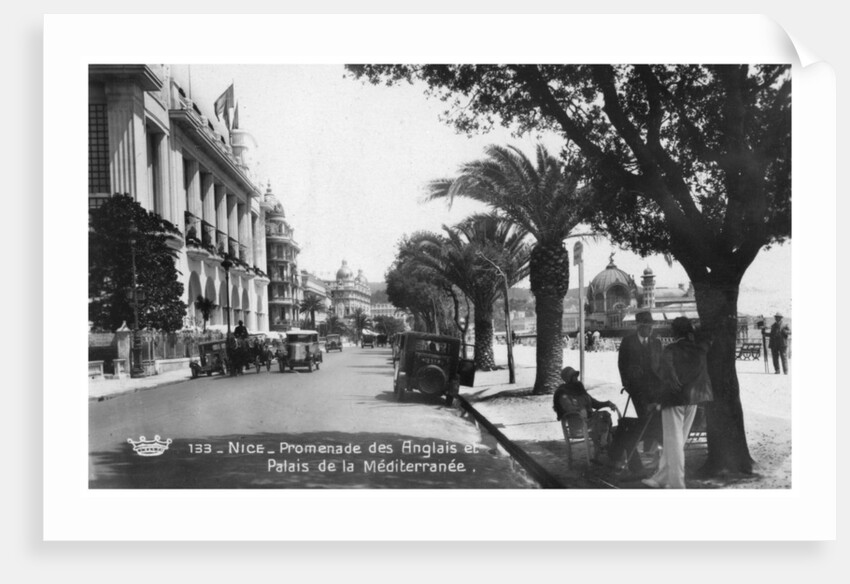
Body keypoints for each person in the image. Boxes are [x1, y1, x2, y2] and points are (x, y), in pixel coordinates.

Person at [642, 317, 714, 489]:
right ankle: (661, 478)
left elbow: (666, 378)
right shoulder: (700, 349)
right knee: (676, 442)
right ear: (689, 331)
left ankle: (677, 485)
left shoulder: (670, 349)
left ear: (673, 333)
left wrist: (657, 400)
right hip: (694, 399)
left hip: (674, 400)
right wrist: (694, 331)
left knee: (673, 443)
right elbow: (709, 337)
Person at [611, 310, 663, 474]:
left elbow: (660, 365)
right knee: (644, 418)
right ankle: (638, 455)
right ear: (639, 326)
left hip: (655, 389)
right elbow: (622, 365)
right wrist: (627, 385)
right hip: (638, 389)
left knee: (655, 420)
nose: (650, 329)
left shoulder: (656, 342)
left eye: (651, 326)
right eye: (646, 326)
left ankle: (651, 451)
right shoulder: (628, 342)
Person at [553, 367, 619, 462]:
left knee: (605, 417)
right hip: (578, 424)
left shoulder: (579, 389)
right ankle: (604, 446)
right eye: (573, 376)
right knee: (604, 421)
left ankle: (603, 445)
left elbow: (594, 403)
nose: (576, 378)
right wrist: (580, 409)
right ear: (568, 379)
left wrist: (608, 403)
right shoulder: (563, 393)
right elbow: (568, 408)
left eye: (576, 375)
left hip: (590, 422)